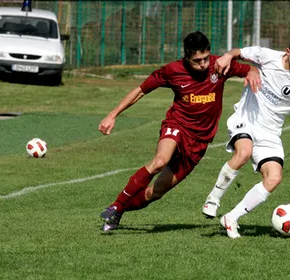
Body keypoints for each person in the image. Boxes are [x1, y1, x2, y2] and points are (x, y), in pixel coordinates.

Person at [98, 31, 260, 232]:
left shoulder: (220, 65)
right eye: (196, 61)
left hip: (199, 143)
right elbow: (141, 90)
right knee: (160, 161)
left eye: (205, 58)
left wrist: (251, 71)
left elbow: (249, 69)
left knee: (153, 194)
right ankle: (116, 204)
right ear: (186, 57)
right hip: (177, 125)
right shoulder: (172, 70)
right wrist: (113, 114)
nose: (202, 64)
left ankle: (118, 212)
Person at [201, 34, 290, 238]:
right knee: (244, 152)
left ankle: (231, 218)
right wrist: (227, 56)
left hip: (270, 132)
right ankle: (213, 199)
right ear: (288, 52)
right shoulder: (268, 56)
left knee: (274, 177)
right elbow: (239, 52)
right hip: (246, 118)